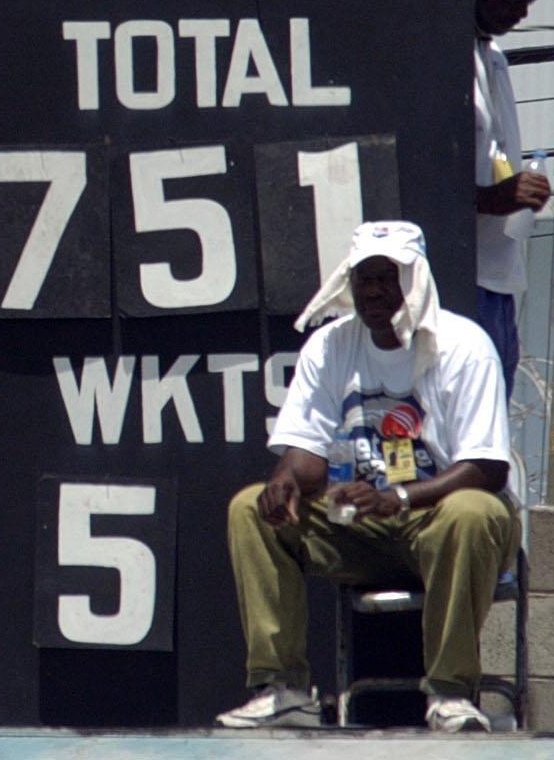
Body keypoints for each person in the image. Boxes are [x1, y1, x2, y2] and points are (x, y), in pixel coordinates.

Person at [217, 221, 517, 733]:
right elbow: (306, 455)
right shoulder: (330, 345)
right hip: (361, 527)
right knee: (251, 508)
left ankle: (450, 695)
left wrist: (397, 496)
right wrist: (285, 477)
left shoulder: (464, 345)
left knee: (473, 511)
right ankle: (284, 691)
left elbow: (487, 467)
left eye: (388, 277)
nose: (374, 290)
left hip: (442, 524)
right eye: (364, 278)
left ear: (415, 280)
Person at [474, 0, 554, 393]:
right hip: (459, 273)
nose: (522, 11)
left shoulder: (491, 56)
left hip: (499, 268)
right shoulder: (437, 59)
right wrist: (489, 198)